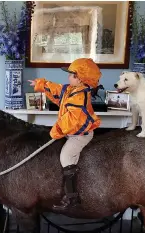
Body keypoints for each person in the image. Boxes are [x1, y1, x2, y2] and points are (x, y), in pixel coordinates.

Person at [28, 58, 102, 210]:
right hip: (73, 133)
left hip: (80, 135)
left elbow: (72, 120)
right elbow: (58, 89)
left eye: (71, 75)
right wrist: (41, 84)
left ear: (80, 78)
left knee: (66, 157)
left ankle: (72, 198)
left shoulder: (80, 96)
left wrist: (55, 131)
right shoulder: (72, 89)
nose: (68, 77)